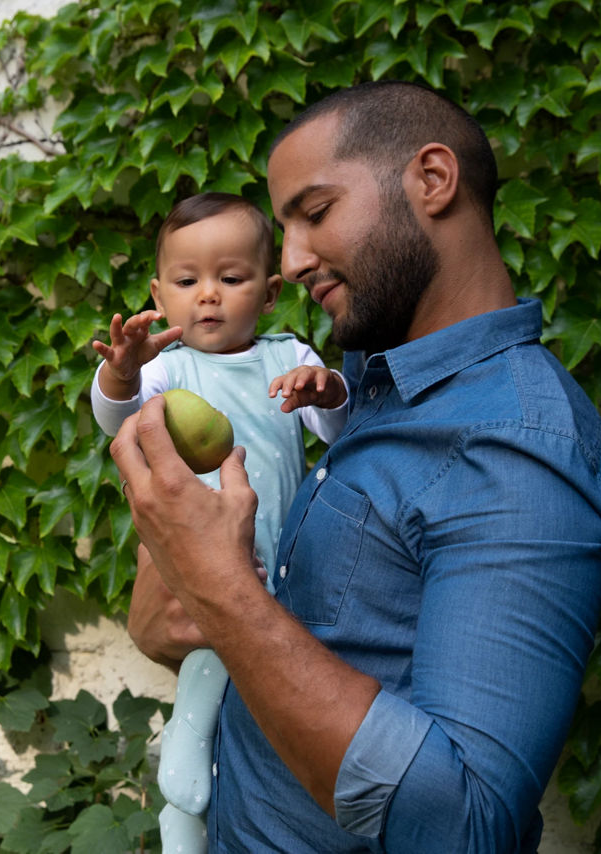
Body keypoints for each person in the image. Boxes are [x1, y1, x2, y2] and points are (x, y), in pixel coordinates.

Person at [111, 81, 601, 853]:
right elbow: (309, 635)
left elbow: (467, 825)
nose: (288, 263)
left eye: (315, 213)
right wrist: (187, 598)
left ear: (432, 181)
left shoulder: (519, 448)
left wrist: (221, 592)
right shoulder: (367, 387)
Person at [90, 191, 349, 852]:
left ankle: (217, 787)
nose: (208, 295)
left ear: (267, 295)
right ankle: (181, 799)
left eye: (230, 279)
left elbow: (339, 426)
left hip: (282, 565)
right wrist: (120, 376)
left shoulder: (286, 358)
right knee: (212, 656)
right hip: (205, 561)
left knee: (273, 692)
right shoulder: (166, 369)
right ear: (158, 293)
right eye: (186, 281)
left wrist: (328, 392)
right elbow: (118, 424)